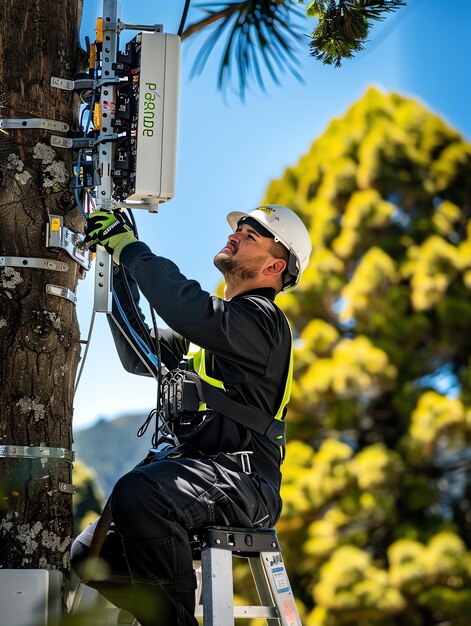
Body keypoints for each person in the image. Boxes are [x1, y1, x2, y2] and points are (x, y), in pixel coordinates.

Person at [71, 205, 311, 626]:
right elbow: (139, 351)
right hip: (202, 472)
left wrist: (131, 249)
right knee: (91, 554)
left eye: (251, 235)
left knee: (142, 493)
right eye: (238, 228)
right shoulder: (212, 333)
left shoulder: (262, 320)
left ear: (275, 265)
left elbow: (187, 308)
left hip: (246, 480)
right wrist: (118, 267)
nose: (236, 235)